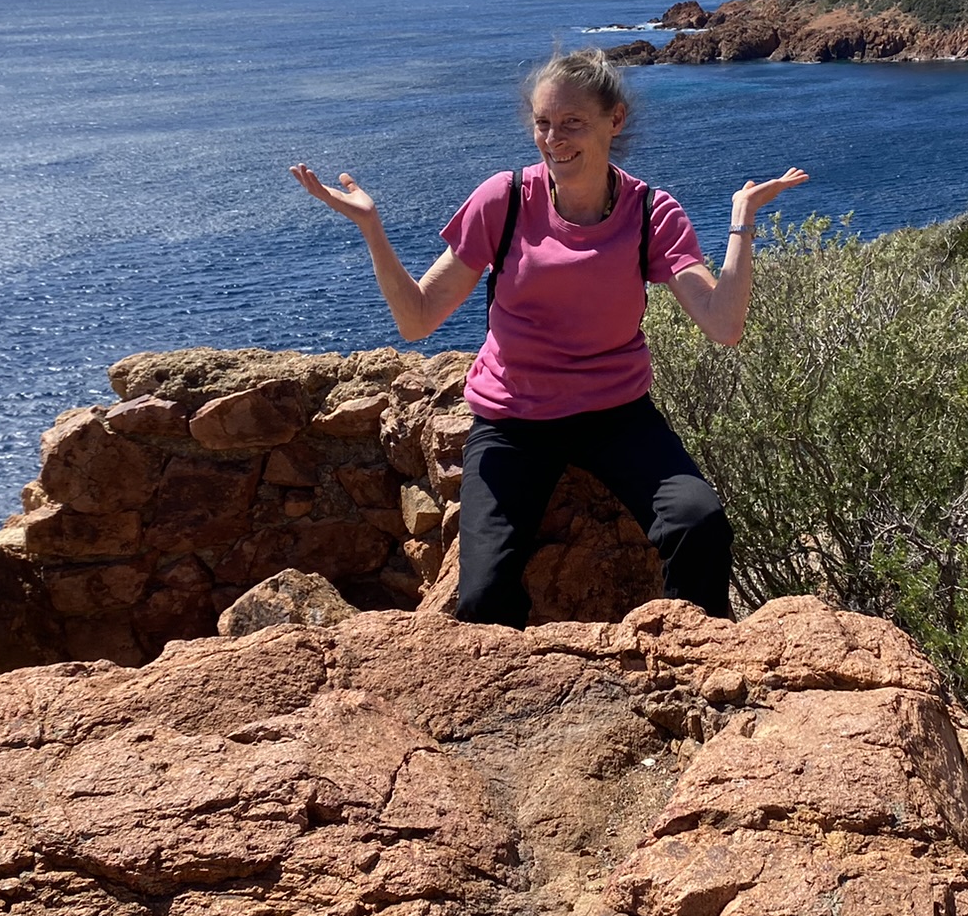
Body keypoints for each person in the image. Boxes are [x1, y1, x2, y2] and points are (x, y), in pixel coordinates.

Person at [292, 47, 806, 627]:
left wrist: (741, 220)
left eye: (572, 122)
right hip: (513, 420)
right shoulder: (505, 200)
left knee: (699, 524)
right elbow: (418, 318)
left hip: (617, 415)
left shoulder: (650, 212)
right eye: (543, 123)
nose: (553, 139)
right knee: (483, 598)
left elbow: (723, 324)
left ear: (614, 120)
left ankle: (692, 654)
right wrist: (371, 226)